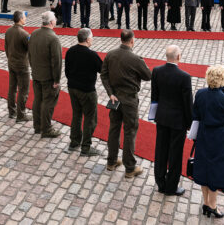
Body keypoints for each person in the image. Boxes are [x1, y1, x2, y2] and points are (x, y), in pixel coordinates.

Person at [191, 65, 224, 219]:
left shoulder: (200, 94)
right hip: (220, 137)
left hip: (204, 134)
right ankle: (212, 206)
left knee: (204, 166)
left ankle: (206, 202)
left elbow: (195, 114)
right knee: (216, 169)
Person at [101, 30, 151, 179]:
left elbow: (103, 75)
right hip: (129, 100)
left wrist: (110, 92)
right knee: (130, 131)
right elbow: (148, 76)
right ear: (132, 41)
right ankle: (130, 168)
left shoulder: (110, 54)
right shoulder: (135, 58)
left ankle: (111, 161)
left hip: (114, 99)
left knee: (114, 128)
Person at [151, 45, 193, 196]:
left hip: (161, 117)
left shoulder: (156, 71)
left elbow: (154, 96)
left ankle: (160, 182)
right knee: (175, 154)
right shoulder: (184, 77)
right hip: (177, 121)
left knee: (160, 151)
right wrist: (190, 123)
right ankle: (171, 186)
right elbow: (188, 103)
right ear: (179, 57)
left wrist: (154, 114)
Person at [65, 28, 103, 156]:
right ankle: (86, 147)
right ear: (87, 39)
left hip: (72, 88)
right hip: (87, 91)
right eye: (91, 37)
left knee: (76, 115)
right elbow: (102, 69)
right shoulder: (92, 55)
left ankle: (74, 142)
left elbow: (67, 71)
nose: (92, 39)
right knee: (90, 118)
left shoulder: (70, 51)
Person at [28, 11, 62, 138]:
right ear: (52, 22)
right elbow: (57, 61)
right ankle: (46, 128)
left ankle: (37, 126)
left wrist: (33, 69)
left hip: (36, 74)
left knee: (38, 100)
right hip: (48, 77)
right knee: (48, 102)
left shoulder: (34, 34)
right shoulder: (53, 38)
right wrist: (56, 80)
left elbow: (29, 55)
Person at [4, 11, 31, 122]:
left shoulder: (8, 31)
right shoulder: (24, 34)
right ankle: (21, 114)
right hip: (22, 66)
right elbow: (31, 49)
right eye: (24, 17)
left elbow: (6, 48)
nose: (25, 19)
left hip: (11, 63)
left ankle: (12, 111)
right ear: (20, 19)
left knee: (12, 88)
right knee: (23, 90)